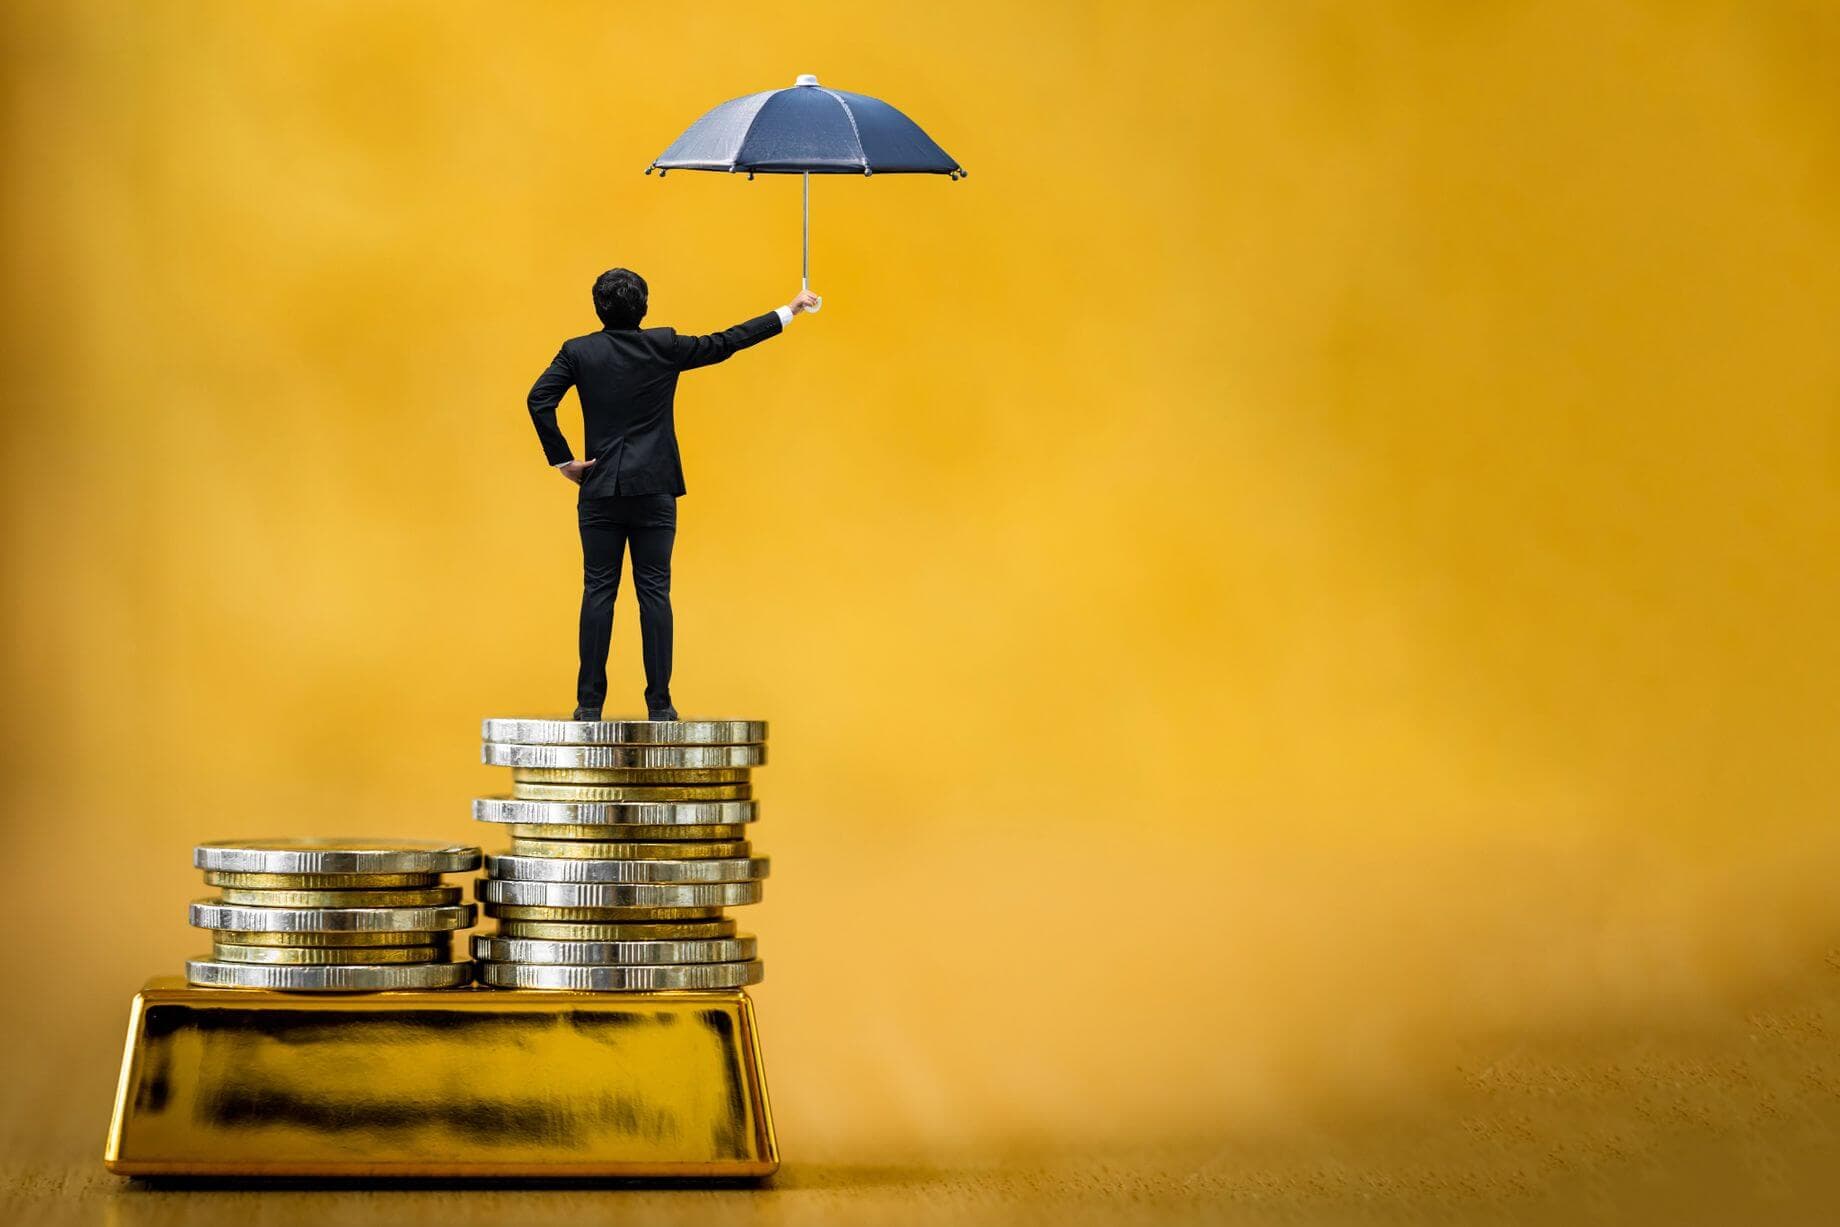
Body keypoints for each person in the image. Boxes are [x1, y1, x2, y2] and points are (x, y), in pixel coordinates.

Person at [526, 268, 820, 721]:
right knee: (655, 594)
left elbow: (538, 399)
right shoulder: (663, 345)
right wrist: (789, 311)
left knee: (599, 592)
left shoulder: (578, 352)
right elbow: (726, 342)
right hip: (655, 488)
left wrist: (564, 461)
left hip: (600, 488)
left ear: (597, 307)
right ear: (644, 307)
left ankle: (589, 705)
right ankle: (660, 705)